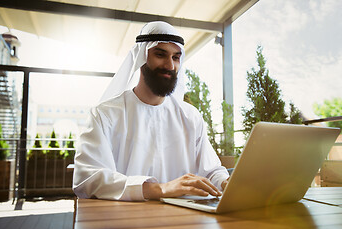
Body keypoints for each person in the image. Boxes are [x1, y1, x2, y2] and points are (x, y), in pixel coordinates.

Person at [73, 21, 230, 201]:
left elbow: (211, 172)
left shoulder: (190, 116)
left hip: (185, 220)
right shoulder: (105, 114)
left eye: (176, 57)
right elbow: (88, 178)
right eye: (160, 55)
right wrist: (160, 189)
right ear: (141, 57)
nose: (170, 65)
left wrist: (226, 183)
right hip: (124, 219)